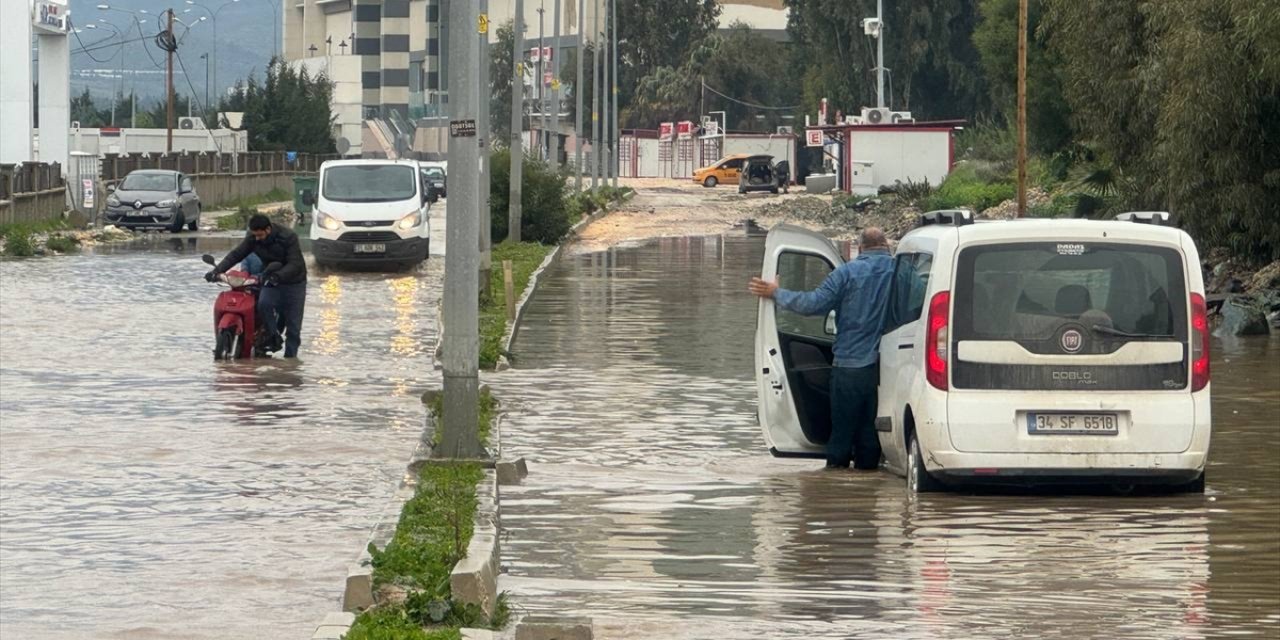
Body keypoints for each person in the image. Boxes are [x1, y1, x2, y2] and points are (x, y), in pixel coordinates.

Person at [748, 228, 895, 470]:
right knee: (871, 436)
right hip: (887, 369)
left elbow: (813, 304)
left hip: (849, 367)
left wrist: (776, 293)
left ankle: (834, 490)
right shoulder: (900, 271)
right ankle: (869, 490)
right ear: (886, 244)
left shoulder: (847, 273)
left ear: (860, 247)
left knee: (841, 435)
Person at [206, 214, 308, 358]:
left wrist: (278, 276)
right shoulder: (253, 238)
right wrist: (217, 271)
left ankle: (289, 368)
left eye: (260, 235)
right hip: (270, 277)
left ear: (268, 229)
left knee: (293, 328)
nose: (257, 239)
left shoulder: (288, 237)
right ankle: (273, 337)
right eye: (254, 235)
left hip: (294, 282)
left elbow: (295, 263)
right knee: (263, 304)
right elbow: (236, 255)